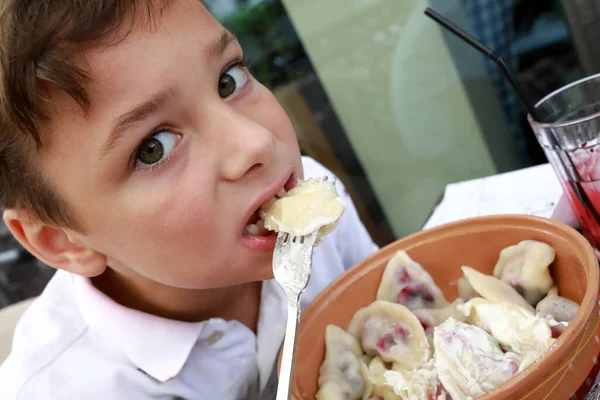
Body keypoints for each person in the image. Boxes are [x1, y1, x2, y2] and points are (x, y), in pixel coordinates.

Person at [0, 0, 378, 398]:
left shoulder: (317, 199)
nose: (255, 143)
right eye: (154, 148)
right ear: (63, 240)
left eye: (228, 80)